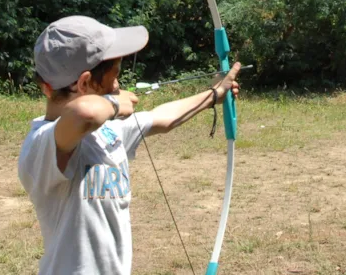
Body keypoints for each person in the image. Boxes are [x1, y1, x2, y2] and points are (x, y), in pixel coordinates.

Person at [17, 15, 241, 275]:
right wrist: (114, 104)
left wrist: (215, 94)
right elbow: (85, 113)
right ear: (85, 83)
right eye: (115, 75)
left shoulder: (107, 131)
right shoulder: (40, 146)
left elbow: (163, 118)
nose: (118, 85)